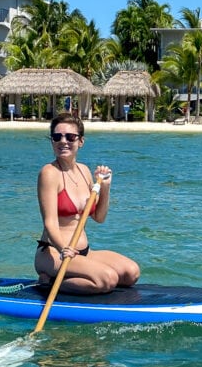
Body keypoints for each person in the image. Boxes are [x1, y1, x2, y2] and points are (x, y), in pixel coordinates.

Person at [34, 112, 140, 294]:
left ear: (80, 141)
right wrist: (63, 249)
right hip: (55, 253)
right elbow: (50, 223)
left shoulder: (84, 171)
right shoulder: (49, 173)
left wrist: (105, 187)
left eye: (70, 137)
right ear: (52, 141)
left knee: (131, 273)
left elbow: (99, 217)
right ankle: (49, 280)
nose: (63, 141)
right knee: (107, 280)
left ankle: (73, 275)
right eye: (57, 137)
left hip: (84, 252)